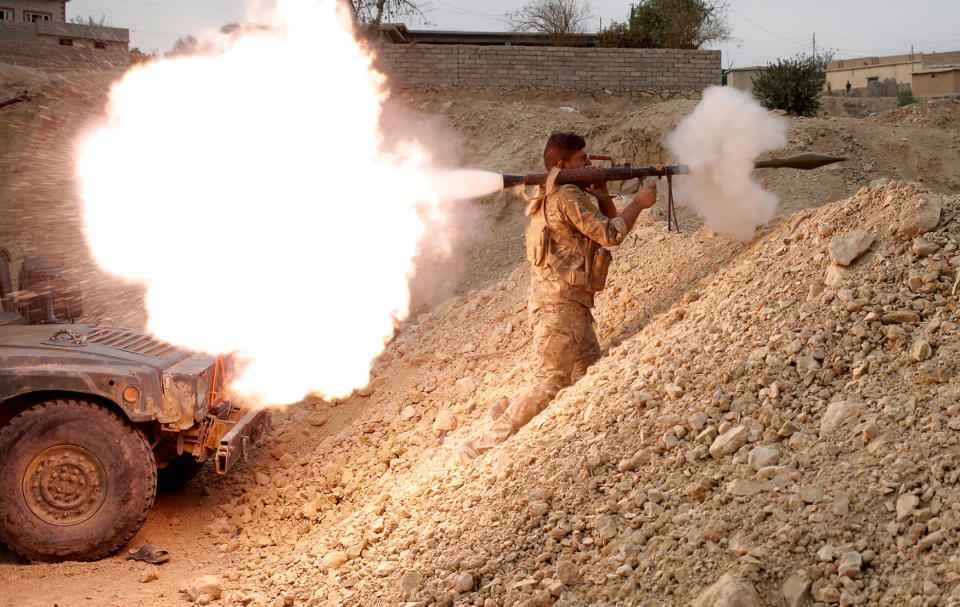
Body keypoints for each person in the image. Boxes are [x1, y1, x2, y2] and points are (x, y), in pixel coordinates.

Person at [458, 132, 658, 463]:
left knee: (589, 374)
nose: (589, 163)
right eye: (583, 160)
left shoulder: (555, 192)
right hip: (560, 307)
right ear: (564, 165)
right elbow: (611, 233)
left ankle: (508, 409)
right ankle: (480, 446)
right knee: (551, 381)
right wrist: (639, 203)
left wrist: (604, 193)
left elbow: (606, 224)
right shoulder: (566, 196)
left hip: (569, 304)